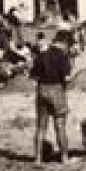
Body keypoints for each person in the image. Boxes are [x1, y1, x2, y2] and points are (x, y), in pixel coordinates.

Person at [31, 30, 74, 163]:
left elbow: (33, 75)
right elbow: (67, 77)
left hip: (42, 89)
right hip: (56, 89)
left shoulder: (42, 54)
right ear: (65, 42)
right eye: (69, 45)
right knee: (60, 125)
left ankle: (37, 158)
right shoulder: (62, 56)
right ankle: (65, 157)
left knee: (41, 127)